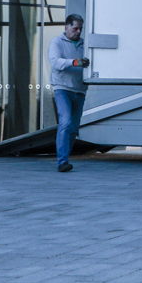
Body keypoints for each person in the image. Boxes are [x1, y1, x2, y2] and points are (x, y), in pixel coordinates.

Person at [49, 15, 91, 172]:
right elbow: (54, 62)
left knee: (73, 128)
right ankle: (62, 161)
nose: (78, 31)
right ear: (66, 27)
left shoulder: (84, 44)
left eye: (80, 28)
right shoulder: (57, 42)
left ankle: (65, 156)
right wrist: (74, 62)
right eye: (75, 28)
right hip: (63, 89)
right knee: (65, 123)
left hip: (79, 90)